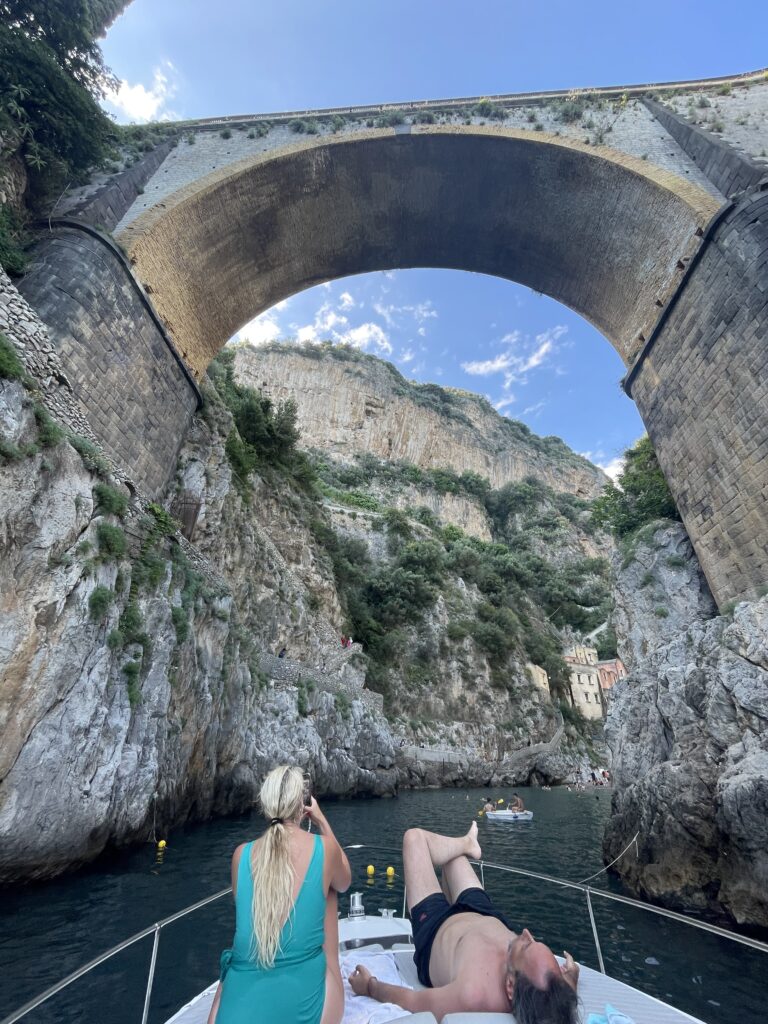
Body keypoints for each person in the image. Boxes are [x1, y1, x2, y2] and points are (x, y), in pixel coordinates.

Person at [348, 823, 578, 1022]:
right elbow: (562, 994)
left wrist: (370, 987)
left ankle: (467, 843)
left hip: (436, 929)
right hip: (485, 913)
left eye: (526, 946)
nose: (526, 933)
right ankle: (467, 843)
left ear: (510, 985)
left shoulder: (472, 993)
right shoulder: (551, 990)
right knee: (453, 855)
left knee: (414, 838)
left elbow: (415, 1001)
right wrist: (570, 976)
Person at [207, 766, 351, 1024]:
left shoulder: (241, 855)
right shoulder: (324, 848)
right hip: (303, 1009)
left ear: (266, 804)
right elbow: (345, 881)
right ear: (301, 805)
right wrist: (320, 820)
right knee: (329, 888)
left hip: (233, 1014)